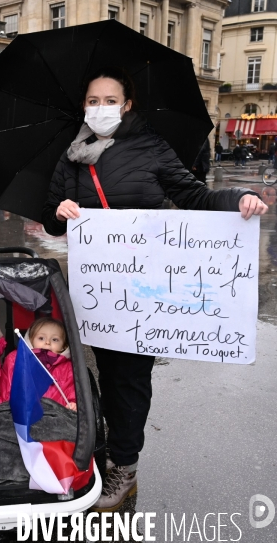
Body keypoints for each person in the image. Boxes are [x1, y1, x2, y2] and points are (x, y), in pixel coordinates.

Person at [41, 67, 268, 512]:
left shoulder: (151, 147)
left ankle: (123, 467)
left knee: (129, 378)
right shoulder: (71, 154)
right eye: (92, 100)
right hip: (96, 287)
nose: (99, 108)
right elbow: (51, 214)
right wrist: (61, 210)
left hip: (145, 291)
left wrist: (238, 196)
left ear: (127, 106)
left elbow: (193, 195)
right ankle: (97, 447)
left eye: (109, 100)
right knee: (91, 373)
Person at [0, 317, 76, 410]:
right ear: (30, 340)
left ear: (64, 345)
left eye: (55, 339)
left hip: (56, 415)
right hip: (22, 413)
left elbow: (72, 390)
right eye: (41, 338)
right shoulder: (16, 359)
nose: (47, 342)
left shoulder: (68, 367)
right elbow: (8, 386)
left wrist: (73, 404)